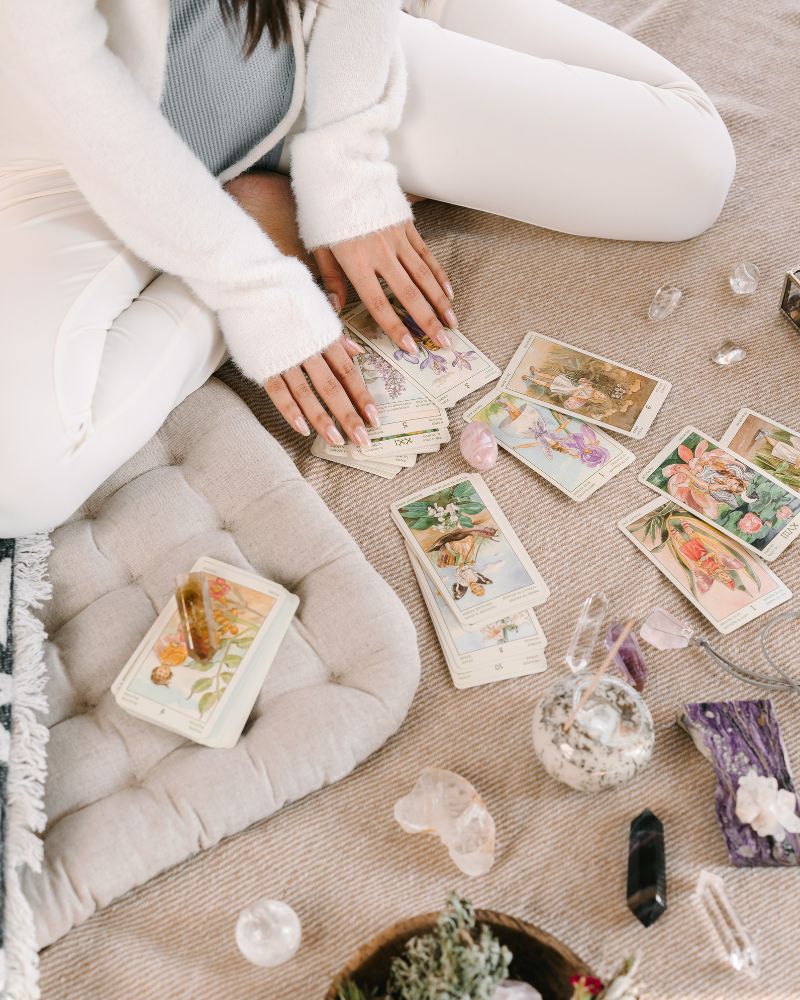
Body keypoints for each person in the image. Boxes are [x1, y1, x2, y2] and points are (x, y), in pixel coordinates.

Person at [0, 0, 736, 537]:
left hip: (293, 39)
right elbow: (78, 96)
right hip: (68, 148)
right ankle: (262, 216)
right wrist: (254, 275)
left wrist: (348, 171)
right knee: (18, 486)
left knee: (690, 168)